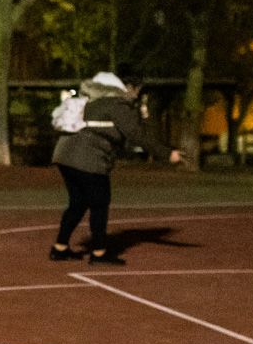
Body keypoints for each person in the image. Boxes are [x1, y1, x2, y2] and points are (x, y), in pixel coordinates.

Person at [48, 71, 179, 264]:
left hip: (64, 155)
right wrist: (167, 153)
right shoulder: (118, 104)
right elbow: (136, 135)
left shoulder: (91, 99)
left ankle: (60, 247)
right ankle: (99, 253)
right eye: (137, 90)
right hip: (89, 159)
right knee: (99, 203)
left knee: (78, 202)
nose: (136, 96)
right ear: (127, 87)